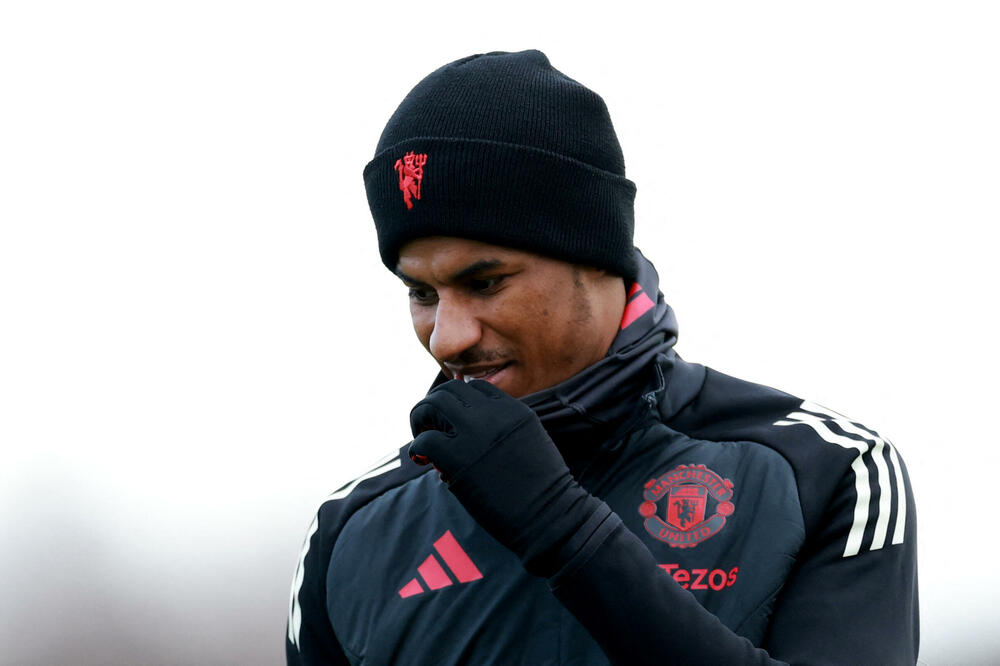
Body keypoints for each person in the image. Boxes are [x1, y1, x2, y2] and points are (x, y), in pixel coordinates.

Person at [286, 50, 918, 665]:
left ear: (596, 257)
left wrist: (557, 525)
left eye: (485, 282)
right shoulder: (351, 529)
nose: (447, 339)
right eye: (422, 293)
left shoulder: (826, 467)